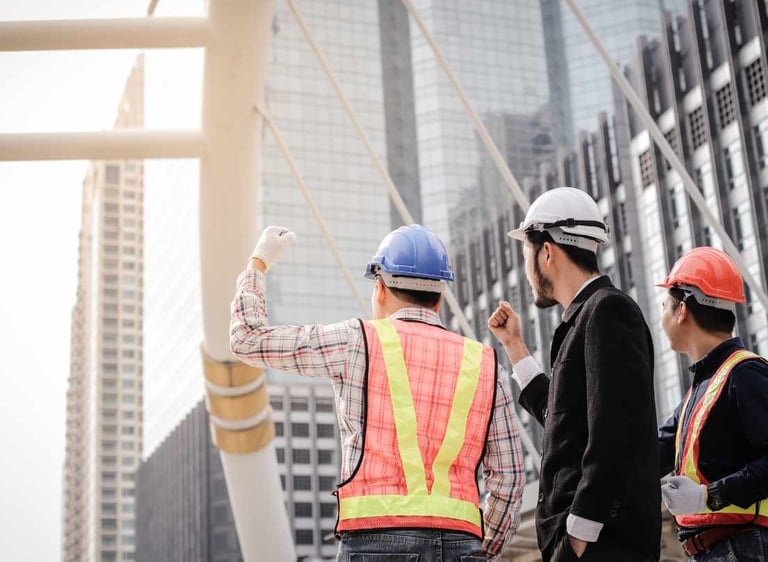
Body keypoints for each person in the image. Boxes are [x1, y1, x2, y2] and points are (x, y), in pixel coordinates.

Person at [230, 224, 525, 561]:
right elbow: (509, 476)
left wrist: (258, 264)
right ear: (440, 297)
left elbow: (247, 339)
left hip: (375, 544)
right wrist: (483, 548)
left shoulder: (357, 341)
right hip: (461, 544)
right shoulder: (485, 364)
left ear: (380, 287)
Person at [487, 187, 661, 562]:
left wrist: (578, 535)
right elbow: (564, 419)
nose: (527, 270)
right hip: (588, 543)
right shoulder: (585, 318)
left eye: (527, 254)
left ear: (546, 251)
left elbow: (616, 430)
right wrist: (515, 348)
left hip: (600, 546)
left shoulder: (608, 311)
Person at [657, 246, 768, 560]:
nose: (662, 314)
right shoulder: (702, 389)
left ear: (683, 311)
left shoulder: (744, 374)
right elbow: (651, 453)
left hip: (743, 547)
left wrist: (709, 496)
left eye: (664, 304)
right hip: (716, 551)